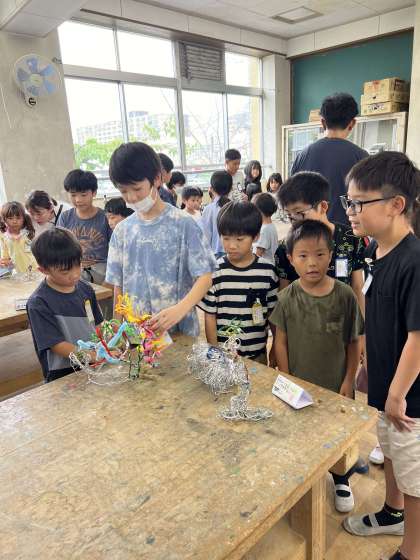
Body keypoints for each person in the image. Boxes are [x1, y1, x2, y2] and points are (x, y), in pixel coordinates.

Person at [341, 152, 420, 560]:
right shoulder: (379, 251)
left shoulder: (413, 260)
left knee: (414, 475)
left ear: (396, 205)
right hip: (388, 386)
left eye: (359, 203)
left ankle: (412, 551)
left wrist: (397, 393)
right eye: (349, 201)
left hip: (409, 399)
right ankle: (393, 512)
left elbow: (419, 337)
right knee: (389, 452)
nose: (350, 211)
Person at [270, 219, 364, 512]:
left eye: (320, 254)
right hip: (299, 385)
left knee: (338, 434)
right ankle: (304, 479)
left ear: (331, 255)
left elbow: (354, 342)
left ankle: (341, 479)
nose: (312, 263)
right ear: (291, 259)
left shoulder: (345, 296)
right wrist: (287, 378)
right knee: (302, 434)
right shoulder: (286, 298)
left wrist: (349, 379)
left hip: (337, 385)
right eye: (303, 255)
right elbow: (280, 342)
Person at [106, 142, 216, 336]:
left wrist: (180, 309)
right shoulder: (122, 230)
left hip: (178, 331)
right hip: (137, 334)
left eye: (137, 189)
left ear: (157, 178)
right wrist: (117, 329)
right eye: (123, 191)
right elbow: (118, 285)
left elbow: (205, 277)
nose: (131, 197)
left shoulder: (183, 224)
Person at [275, 172, 365, 316]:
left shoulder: (351, 238)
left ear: (323, 206)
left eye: (299, 213)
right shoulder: (285, 248)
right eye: (289, 215)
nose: (294, 222)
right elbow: (284, 295)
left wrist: (361, 324)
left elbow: (358, 286)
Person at [199, 201, 278, 364]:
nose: (232, 245)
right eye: (226, 238)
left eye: (240, 239)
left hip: (257, 355)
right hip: (224, 357)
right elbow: (210, 316)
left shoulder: (268, 272)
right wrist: (215, 351)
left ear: (256, 237)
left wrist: (276, 347)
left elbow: (273, 314)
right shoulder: (215, 272)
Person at [27, 228, 103, 383]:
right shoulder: (39, 303)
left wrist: (111, 337)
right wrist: (90, 356)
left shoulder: (86, 289)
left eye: (78, 265)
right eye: (64, 271)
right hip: (62, 373)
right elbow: (56, 345)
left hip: (94, 364)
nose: (75, 274)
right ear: (43, 270)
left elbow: (97, 324)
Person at [291, 93, 368, 224]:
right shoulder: (362, 158)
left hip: (309, 230)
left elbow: (293, 200)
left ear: (322, 122)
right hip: (348, 232)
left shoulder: (302, 156)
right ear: (352, 123)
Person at [57, 169, 112, 285]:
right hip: (73, 269)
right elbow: (59, 249)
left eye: (83, 195)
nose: (78, 200)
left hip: (102, 270)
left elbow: (115, 250)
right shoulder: (65, 217)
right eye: (73, 195)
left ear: (94, 193)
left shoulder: (105, 218)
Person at [199, 170, 232, 258]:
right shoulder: (235, 206)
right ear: (231, 188)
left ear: (211, 188)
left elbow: (205, 236)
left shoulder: (209, 209)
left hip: (216, 253)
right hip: (234, 251)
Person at [0, 201, 36, 273]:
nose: (14, 221)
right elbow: (5, 259)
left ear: (23, 218)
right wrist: (5, 263)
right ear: (4, 219)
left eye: (18, 218)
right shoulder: (4, 237)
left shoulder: (29, 232)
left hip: (36, 270)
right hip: (19, 273)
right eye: (10, 218)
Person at [252, 193, 278, 263]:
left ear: (259, 211)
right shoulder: (270, 226)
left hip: (264, 266)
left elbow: (257, 255)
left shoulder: (264, 231)